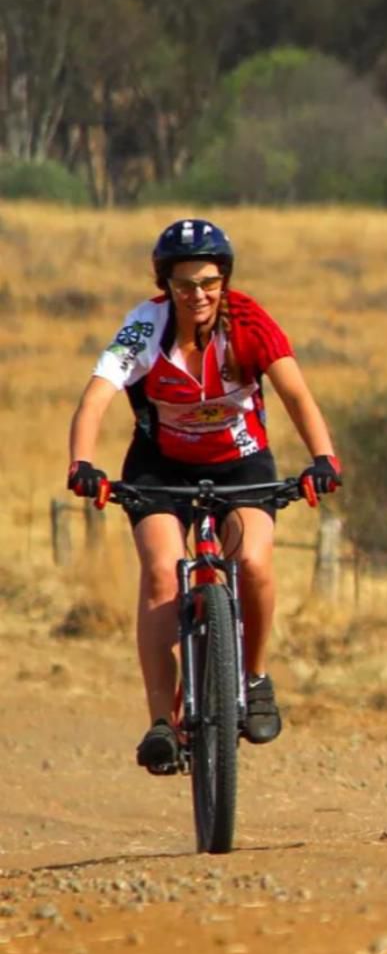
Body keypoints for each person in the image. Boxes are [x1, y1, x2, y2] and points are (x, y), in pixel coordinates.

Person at [65, 218, 342, 772]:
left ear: (226, 280)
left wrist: (323, 459)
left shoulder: (249, 323)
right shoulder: (146, 328)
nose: (199, 296)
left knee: (256, 563)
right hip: (159, 467)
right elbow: (95, 398)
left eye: (210, 282)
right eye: (185, 284)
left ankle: (255, 678)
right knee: (163, 575)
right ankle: (161, 724)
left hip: (242, 464)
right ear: (165, 284)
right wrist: (82, 463)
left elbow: (295, 393)